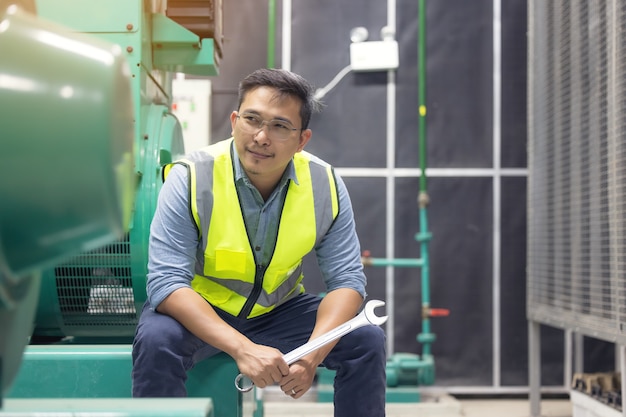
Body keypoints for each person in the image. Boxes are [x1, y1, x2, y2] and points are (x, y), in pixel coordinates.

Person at [131, 68, 387, 416]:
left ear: (302, 140)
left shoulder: (324, 184)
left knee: (365, 340)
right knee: (157, 340)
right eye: (252, 119)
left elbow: (347, 282)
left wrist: (312, 354)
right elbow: (165, 283)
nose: (262, 137)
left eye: (280, 126)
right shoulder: (190, 177)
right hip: (201, 309)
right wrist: (242, 348)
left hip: (278, 311)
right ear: (235, 121)